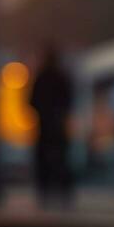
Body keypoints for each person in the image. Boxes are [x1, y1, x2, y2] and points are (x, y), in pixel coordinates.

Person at [28, 45, 75, 207]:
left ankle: (45, 194)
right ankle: (64, 195)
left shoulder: (41, 77)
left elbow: (31, 102)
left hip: (43, 126)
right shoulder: (62, 77)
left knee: (43, 161)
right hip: (58, 126)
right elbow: (69, 102)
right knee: (61, 160)